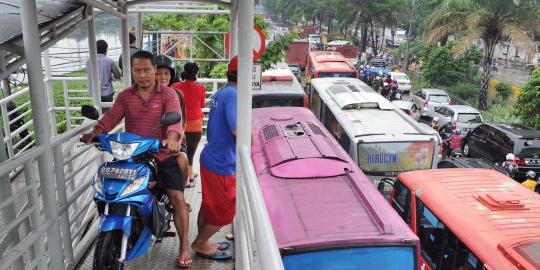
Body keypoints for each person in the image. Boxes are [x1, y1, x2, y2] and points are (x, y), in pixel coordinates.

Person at [81, 51, 191, 268]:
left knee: (177, 198)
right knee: (110, 188)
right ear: (132, 71)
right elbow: (111, 117)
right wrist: (97, 131)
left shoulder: (168, 95)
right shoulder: (125, 96)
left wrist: (171, 138)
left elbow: (174, 123)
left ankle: (184, 246)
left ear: (154, 71)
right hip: (131, 155)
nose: (142, 75)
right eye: (137, 71)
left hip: (161, 154)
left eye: (147, 70)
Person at [191, 56, 238, 260]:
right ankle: (200, 243)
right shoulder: (234, 95)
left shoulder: (221, 91)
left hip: (211, 156)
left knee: (209, 205)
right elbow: (238, 131)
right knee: (225, 210)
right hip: (222, 162)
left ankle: (203, 240)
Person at [154, 54, 190, 193]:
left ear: (171, 75)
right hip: (150, 141)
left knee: (183, 160)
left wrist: (178, 140)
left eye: (166, 73)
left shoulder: (177, 94)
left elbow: (182, 122)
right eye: (158, 73)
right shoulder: (146, 94)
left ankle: (180, 192)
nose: (162, 77)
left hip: (173, 141)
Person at [172, 62, 206, 188]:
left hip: (179, 123)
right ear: (196, 73)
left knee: (181, 151)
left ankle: (188, 174)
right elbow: (202, 105)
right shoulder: (201, 88)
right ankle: (189, 175)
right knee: (191, 152)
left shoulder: (175, 86)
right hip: (195, 124)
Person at [86, 40, 121, 112]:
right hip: (107, 92)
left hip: (94, 92)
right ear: (106, 49)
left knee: (98, 111)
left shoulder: (88, 60)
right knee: (107, 113)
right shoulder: (109, 61)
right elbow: (118, 76)